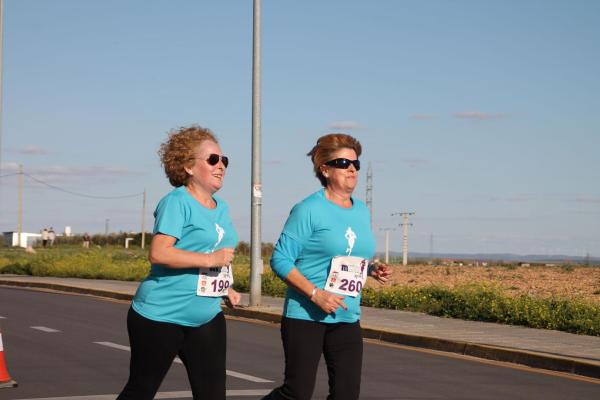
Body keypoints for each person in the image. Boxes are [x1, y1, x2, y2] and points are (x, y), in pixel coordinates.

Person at [263, 133, 392, 400]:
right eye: (344, 163)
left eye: (356, 163)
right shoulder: (308, 209)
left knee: (346, 394)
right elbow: (280, 259)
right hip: (306, 315)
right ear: (325, 169)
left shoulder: (361, 211)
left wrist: (370, 269)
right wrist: (315, 294)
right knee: (296, 393)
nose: (353, 169)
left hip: (346, 316)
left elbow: (348, 255)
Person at [117, 125, 240, 400]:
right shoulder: (176, 202)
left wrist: (224, 287)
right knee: (141, 390)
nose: (221, 166)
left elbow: (216, 253)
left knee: (212, 395)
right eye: (212, 160)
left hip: (206, 315)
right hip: (161, 315)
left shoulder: (222, 208)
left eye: (224, 160)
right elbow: (159, 253)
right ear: (188, 166)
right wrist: (211, 258)